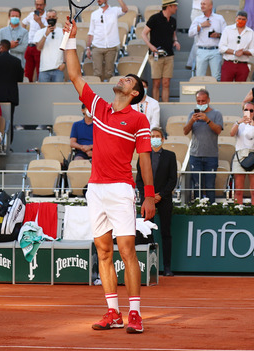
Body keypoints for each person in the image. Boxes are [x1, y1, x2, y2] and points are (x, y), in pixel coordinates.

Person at [59, 18, 155, 334]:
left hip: (121, 189)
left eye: (129, 80)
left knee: (127, 250)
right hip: (96, 189)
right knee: (103, 250)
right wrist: (70, 39)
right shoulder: (99, 107)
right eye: (123, 77)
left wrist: (150, 194)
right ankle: (113, 312)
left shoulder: (139, 119)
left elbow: (144, 159)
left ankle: (136, 314)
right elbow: (74, 75)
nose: (123, 79)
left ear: (136, 92)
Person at [135, 127, 178, 276]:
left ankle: (167, 267)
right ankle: (149, 266)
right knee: (147, 232)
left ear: (163, 139)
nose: (154, 138)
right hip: (148, 200)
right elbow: (139, 180)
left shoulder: (170, 156)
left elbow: (173, 180)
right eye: (152, 136)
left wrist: (161, 195)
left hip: (164, 199)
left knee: (166, 232)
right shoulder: (142, 156)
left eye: (157, 136)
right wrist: (149, 196)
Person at [184, 90, 224, 202]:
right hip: (195, 155)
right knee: (197, 185)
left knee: (210, 185)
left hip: (211, 155)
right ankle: (198, 207)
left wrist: (207, 120)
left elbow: (218, 130)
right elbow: (185, 131)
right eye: (198, 101)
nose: (201, 103)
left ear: (208, 100)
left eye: (203, 101)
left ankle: (211, 208)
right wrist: (192, 121)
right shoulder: (191, 115)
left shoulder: (216, 114)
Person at [142, 0, 180, 102]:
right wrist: (151, 47)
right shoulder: (154, 18)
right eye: (174, 6)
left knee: (166, 82)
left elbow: (173, 34)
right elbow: (144, 33)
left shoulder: (173, 20)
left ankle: (165, 103)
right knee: (156, 82)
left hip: (169, 55)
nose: (176, 8)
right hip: (156, 55)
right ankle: (156, 104)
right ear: (169, 6)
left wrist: (175, 41)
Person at [86, 0, 129, 82]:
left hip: (111, 46)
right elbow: (91, 32)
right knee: (97, 73)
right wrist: (88, 48)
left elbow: (125, 9)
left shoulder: (114, 10)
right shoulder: (94, 14)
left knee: (109, 73)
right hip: (97, 45)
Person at [0, 39, 24, 141]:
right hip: (11, 96)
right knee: (9, 120)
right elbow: (20, 78)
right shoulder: (17, 61)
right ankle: (8, 143)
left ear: (1, 47)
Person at [230, 102, 254, 207]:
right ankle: (237, 211)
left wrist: (253, 125)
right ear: (243, 111)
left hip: (253, 155)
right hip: (239, 155)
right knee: (238, 189)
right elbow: (232, 133)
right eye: (246, 110)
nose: (248, 112)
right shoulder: (238, 124)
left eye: (251, 110)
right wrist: (239, 122)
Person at [189, 0, 226, 79]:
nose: (202, 6)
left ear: (210, 6)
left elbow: (226, 34)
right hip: (202, 50)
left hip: (215, 50)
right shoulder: (198, 19)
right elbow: (190, 33)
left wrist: (218, 35)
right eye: (201, 4)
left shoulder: (219, 18)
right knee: (199, 76)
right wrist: (201, 25)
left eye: (204, 4)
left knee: (216, 76)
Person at [219, 11, 254, 82]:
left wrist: (243, 52)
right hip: (229, 63)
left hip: (242, 64)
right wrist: (234, 52)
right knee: (225, 86)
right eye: (239, 19)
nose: (241, 21)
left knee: (241, 88)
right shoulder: (228, 29)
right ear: (235, 18)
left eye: (243, 19)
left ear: (246, 20)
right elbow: (221, 47)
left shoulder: (250, 32)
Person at [36, 9, 66, 82]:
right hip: (44, 69)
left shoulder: (62, 32)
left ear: (56, 18)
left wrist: (64, 63)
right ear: (46, 18)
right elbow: (39, 48)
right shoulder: (40, 32)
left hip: (58, 69)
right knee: (43, 92)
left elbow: (66, 49)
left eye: (53, 16)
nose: (51, 18)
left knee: (57, 92)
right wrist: (46, 34)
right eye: (49, 17)